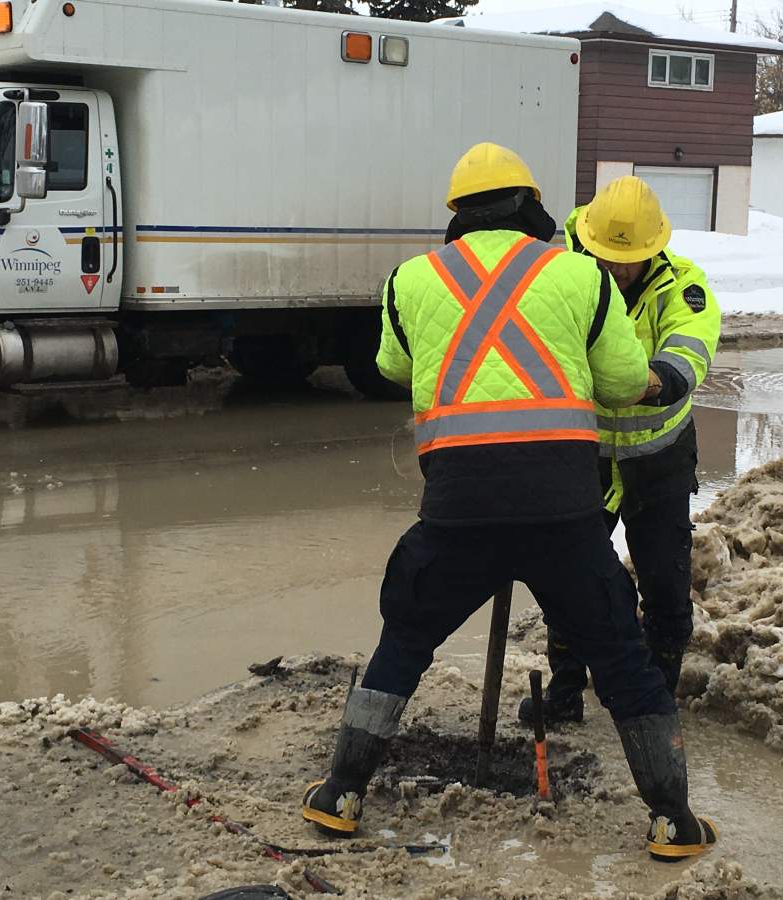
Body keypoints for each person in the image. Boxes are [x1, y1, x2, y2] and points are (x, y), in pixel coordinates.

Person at [301, 146, 717, 861]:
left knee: (404, 639)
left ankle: (341, 792)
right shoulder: (579, 275)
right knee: (620, 653)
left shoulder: (411, 279)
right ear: (531, 208)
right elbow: (621, 382)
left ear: (456, 216)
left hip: (458, 507)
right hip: (564, 505)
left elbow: (391, 366)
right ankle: (672, 820)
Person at [518, 176, 721, 728]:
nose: (616, 270)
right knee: (570, 577)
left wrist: (650, 381)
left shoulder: (685, 287)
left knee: (665, 586)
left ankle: (655, 702)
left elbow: (689, 350)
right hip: (581, 457)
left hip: (658, 461)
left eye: (627, 261)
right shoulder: (560, 275)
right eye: (607, 257)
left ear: (654, 248)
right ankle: (564, 692)